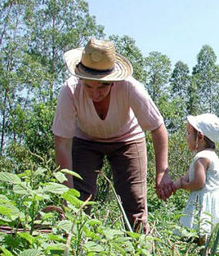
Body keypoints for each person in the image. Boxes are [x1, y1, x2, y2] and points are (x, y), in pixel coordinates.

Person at [52, 38, 174, 233]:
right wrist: (67, 191)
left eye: (102, 87)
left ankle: (141, 255)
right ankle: (76, 250)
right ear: (81, 78)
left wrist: (162, 172)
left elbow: (157, 128)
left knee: (134, 202)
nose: (95, 93)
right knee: (78, 200)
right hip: (85, 140)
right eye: (89, 86)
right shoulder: (70, 90)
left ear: (113, 81)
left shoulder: (130, 87)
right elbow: (62, 144)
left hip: (127, 139)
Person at [171, 113, 219, 241]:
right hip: (216, 201)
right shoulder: (211, 155)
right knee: (213, 236)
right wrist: (173, 186)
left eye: (189, 133)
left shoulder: (201, 158)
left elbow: (198, 183)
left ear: (200, 136)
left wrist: (183, 186)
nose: (186, 137)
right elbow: (186, 176)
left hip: (203, 202)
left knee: (199, 232)